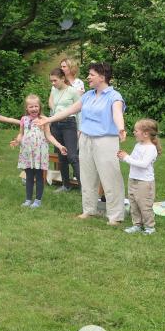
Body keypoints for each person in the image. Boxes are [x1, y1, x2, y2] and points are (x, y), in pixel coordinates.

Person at [36, 62, 126, 225]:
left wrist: (121, 128)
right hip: (85, 138)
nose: (88, 77)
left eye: (91, 75)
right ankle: (89, 210)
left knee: (110, 177)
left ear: (102, 77)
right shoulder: (88, 95)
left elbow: (117, 112)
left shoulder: (114, 96)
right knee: (87, 176)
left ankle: (115, 216)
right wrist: (49, 119)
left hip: (105, 140)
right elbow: (69, 111)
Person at [10, 95, 65, 208]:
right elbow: (21, 133)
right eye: (31, 106)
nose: (34, 108)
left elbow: (49, 136)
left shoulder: (44, 120)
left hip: (39, 154)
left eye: (36, 106)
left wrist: (59, 146)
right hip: (27, 152)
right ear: (27, 108)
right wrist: (17, 140)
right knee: (29, 176)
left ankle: (38, 200)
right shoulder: (24, 119)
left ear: (40, 107)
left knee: (39, 176)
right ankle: (28, 199)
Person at [119, 119, 162, 235]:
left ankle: (150, 227)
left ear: (146, 133)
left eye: (136, 130)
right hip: (133, 179)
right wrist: (123, 157)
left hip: (144, 182)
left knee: (144, 205)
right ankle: (137, 225)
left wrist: (126, 158)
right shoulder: (138, 145)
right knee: (134, 204)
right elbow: (133, 159)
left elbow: (143, 164)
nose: (133, 132)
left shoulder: (151, 149)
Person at [47, 68, 81, 192]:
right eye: (51, 81)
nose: (53, 83)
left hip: (69, 124)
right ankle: (66, 185)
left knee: (72, 156)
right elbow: (53, 107)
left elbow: (80, 111)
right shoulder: (54, 91)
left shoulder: (73, 91)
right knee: (62, 156)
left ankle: (84, 187)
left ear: (62, 79)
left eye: (55, 80)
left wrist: (79, 129)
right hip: (56, 125)